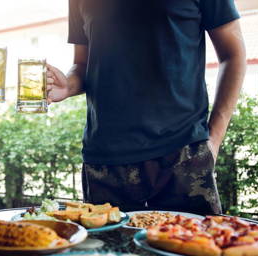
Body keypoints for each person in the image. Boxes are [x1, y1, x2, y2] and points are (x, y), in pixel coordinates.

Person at [46, 0, 246, 214]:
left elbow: (233, 55)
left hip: (182, 154)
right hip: (104, 160)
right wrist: (67, 85)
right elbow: (83, 64)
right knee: (105, 248)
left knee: (193, 245)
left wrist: (213, 141)